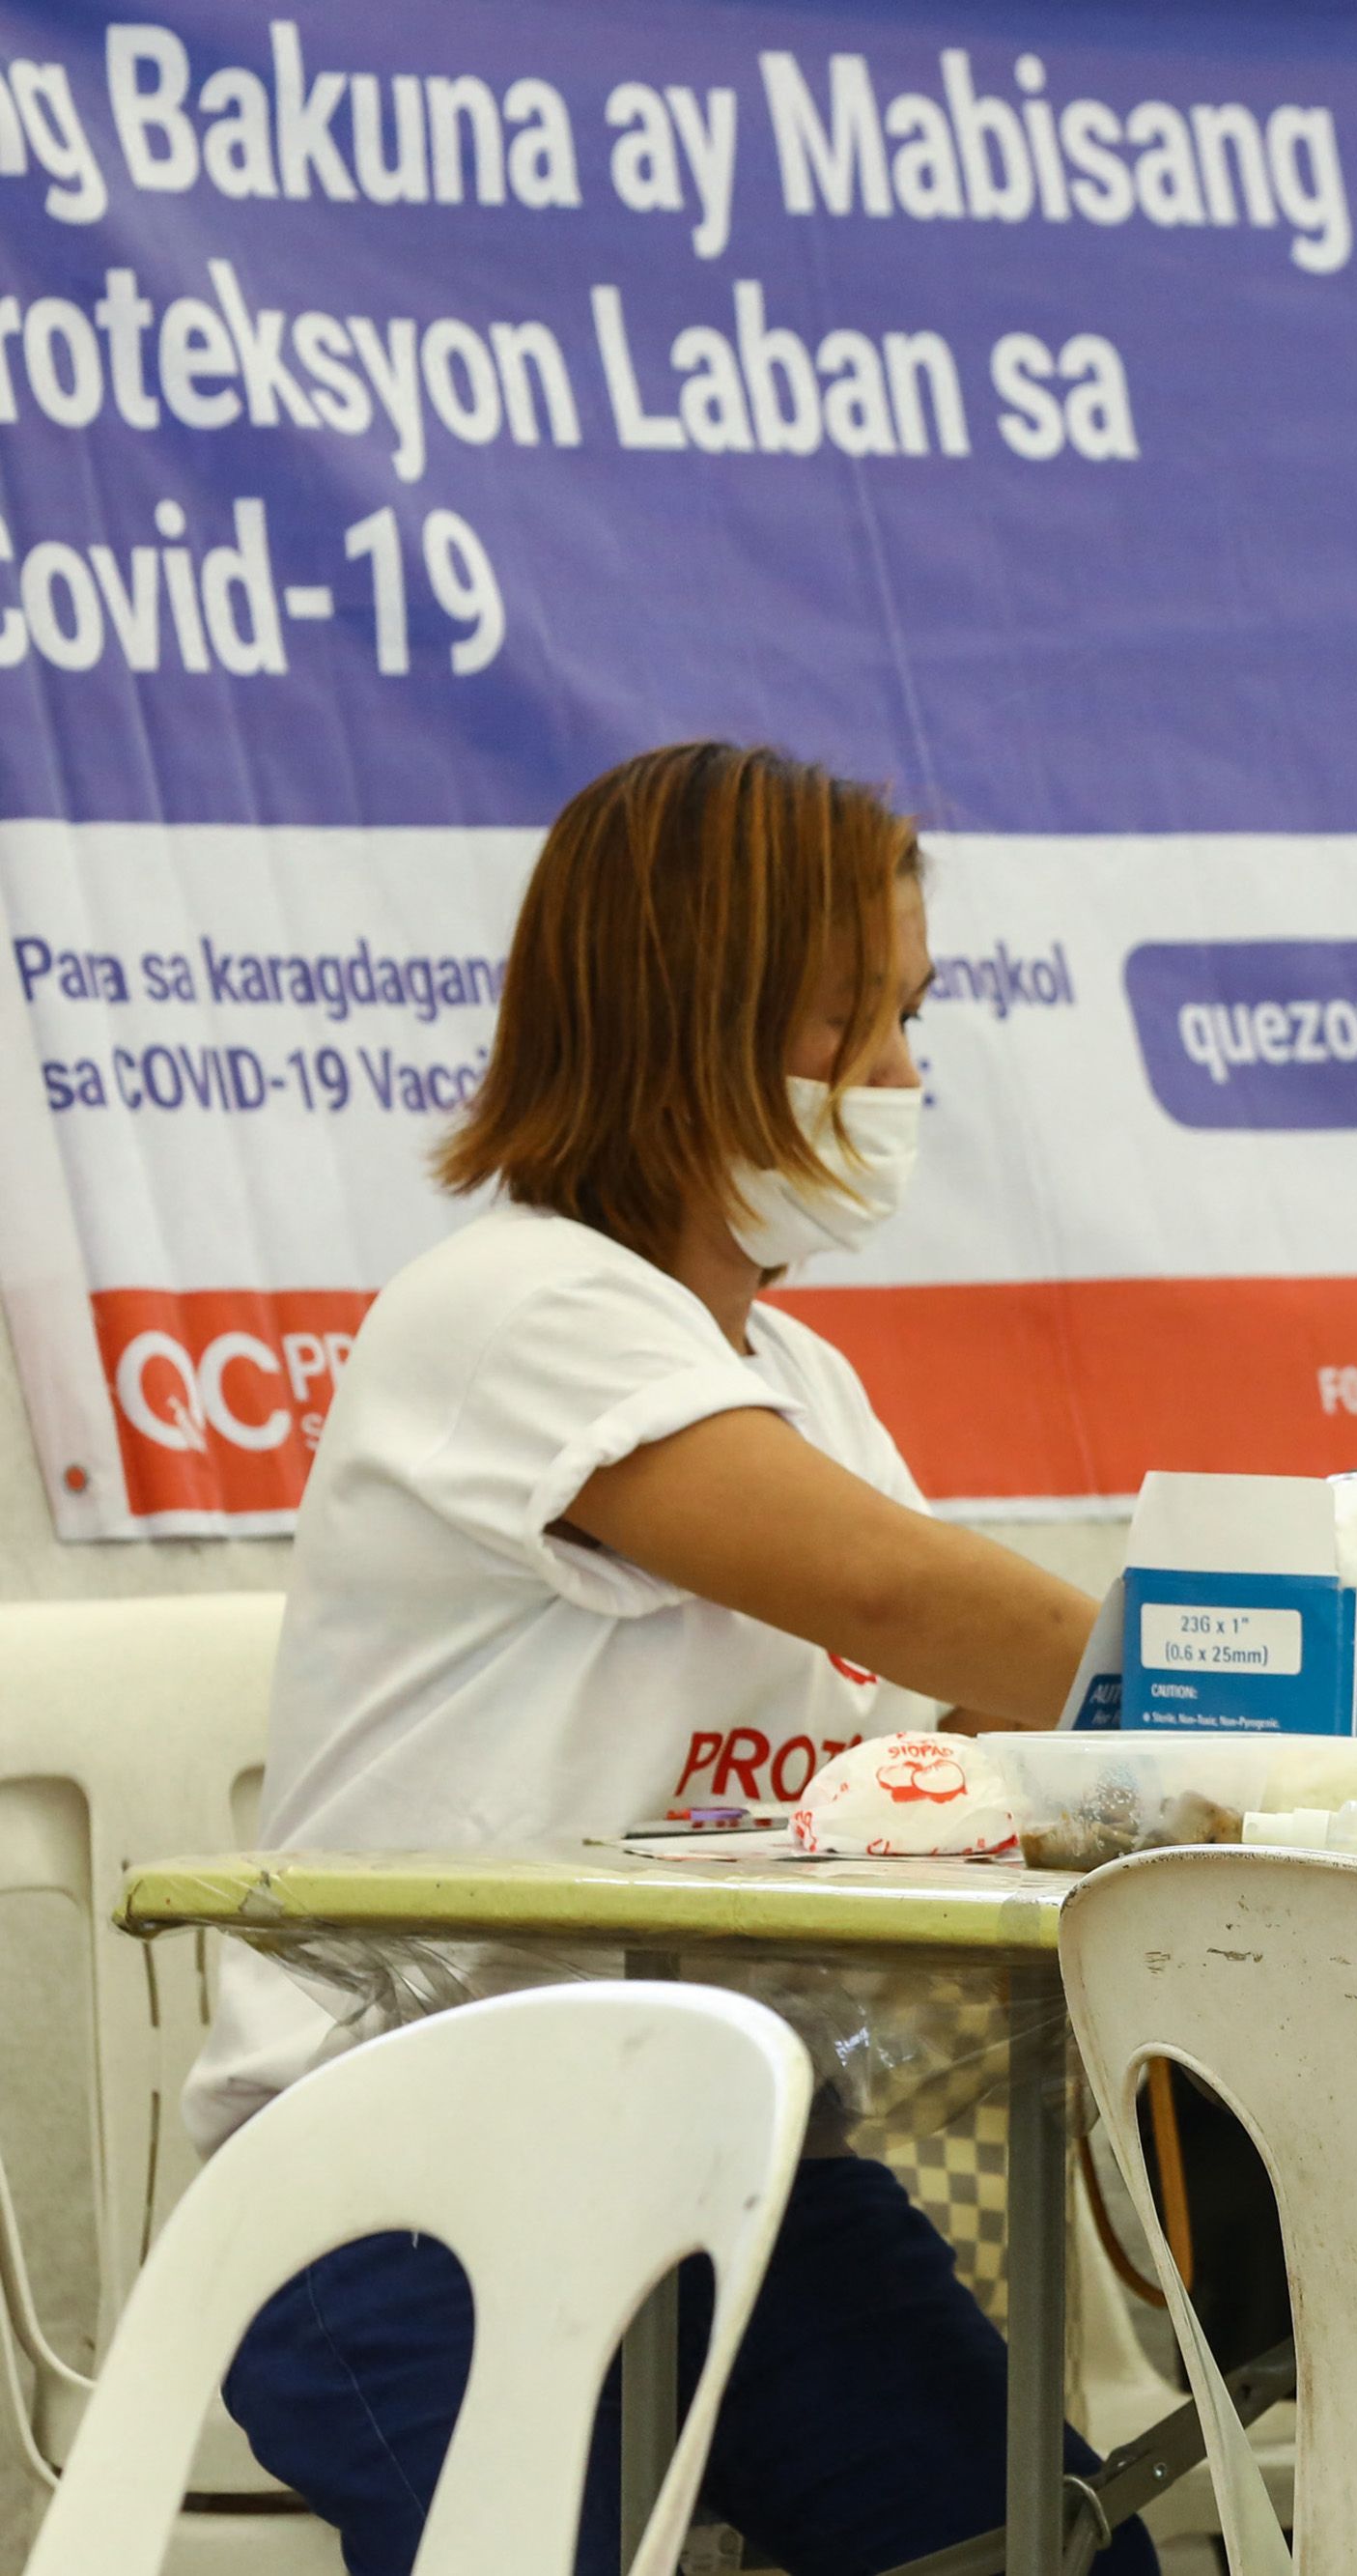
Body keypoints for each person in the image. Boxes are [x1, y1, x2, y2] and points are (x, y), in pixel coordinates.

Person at [191, 744, 1155, 2576]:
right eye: (853, 1022)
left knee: (1049, 2549)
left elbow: (949, 1728)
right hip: (404, 2191)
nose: (900, 1079)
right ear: (690, 1017)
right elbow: (908, 1599)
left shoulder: (800, 1382)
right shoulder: (517, 1309)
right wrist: (1274, 1673)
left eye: (910, 1019)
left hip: (734, 2175)